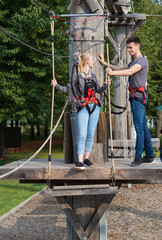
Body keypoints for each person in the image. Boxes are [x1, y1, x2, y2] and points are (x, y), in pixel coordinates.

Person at [98, 36, 154, 167]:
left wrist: (112, 74)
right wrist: (106, 64)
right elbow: (120, 68)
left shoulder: (142, 61)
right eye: (128, 48)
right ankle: (150, 155)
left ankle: (138, 157)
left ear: (138, 46)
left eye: (130, 47)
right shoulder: (133, 61)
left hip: (138, 98)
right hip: (135, 97)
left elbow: (129, 72)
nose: (128, 50)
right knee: (144, 128)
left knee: (139, 128)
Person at [51, 53, 110, 169]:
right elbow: (67, 89)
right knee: (82, 135)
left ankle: (86, 158)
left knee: (90, 134)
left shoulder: (92, 75)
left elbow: (98, 90)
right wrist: (56, 85)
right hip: (83, 106)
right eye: (92, 60)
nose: (93, 62)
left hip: (94, 106)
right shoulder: (76, 76)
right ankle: (79, 160)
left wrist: (106, 85)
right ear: (87, 61)